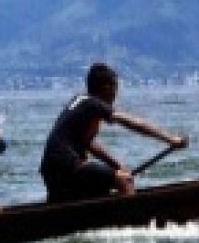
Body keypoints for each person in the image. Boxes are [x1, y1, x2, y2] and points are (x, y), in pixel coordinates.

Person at [40, 62, 187, 203]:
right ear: (105, 87)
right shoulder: (93, 103)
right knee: (124, 180)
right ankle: (135, 222)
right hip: (69, 167)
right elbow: (133, 123)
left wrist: (117, 166)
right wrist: (170, 139)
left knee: (100, 189)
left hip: (50, 171)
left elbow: (89, 143)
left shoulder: (80, 102)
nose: (116, 94)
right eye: (115, 87)